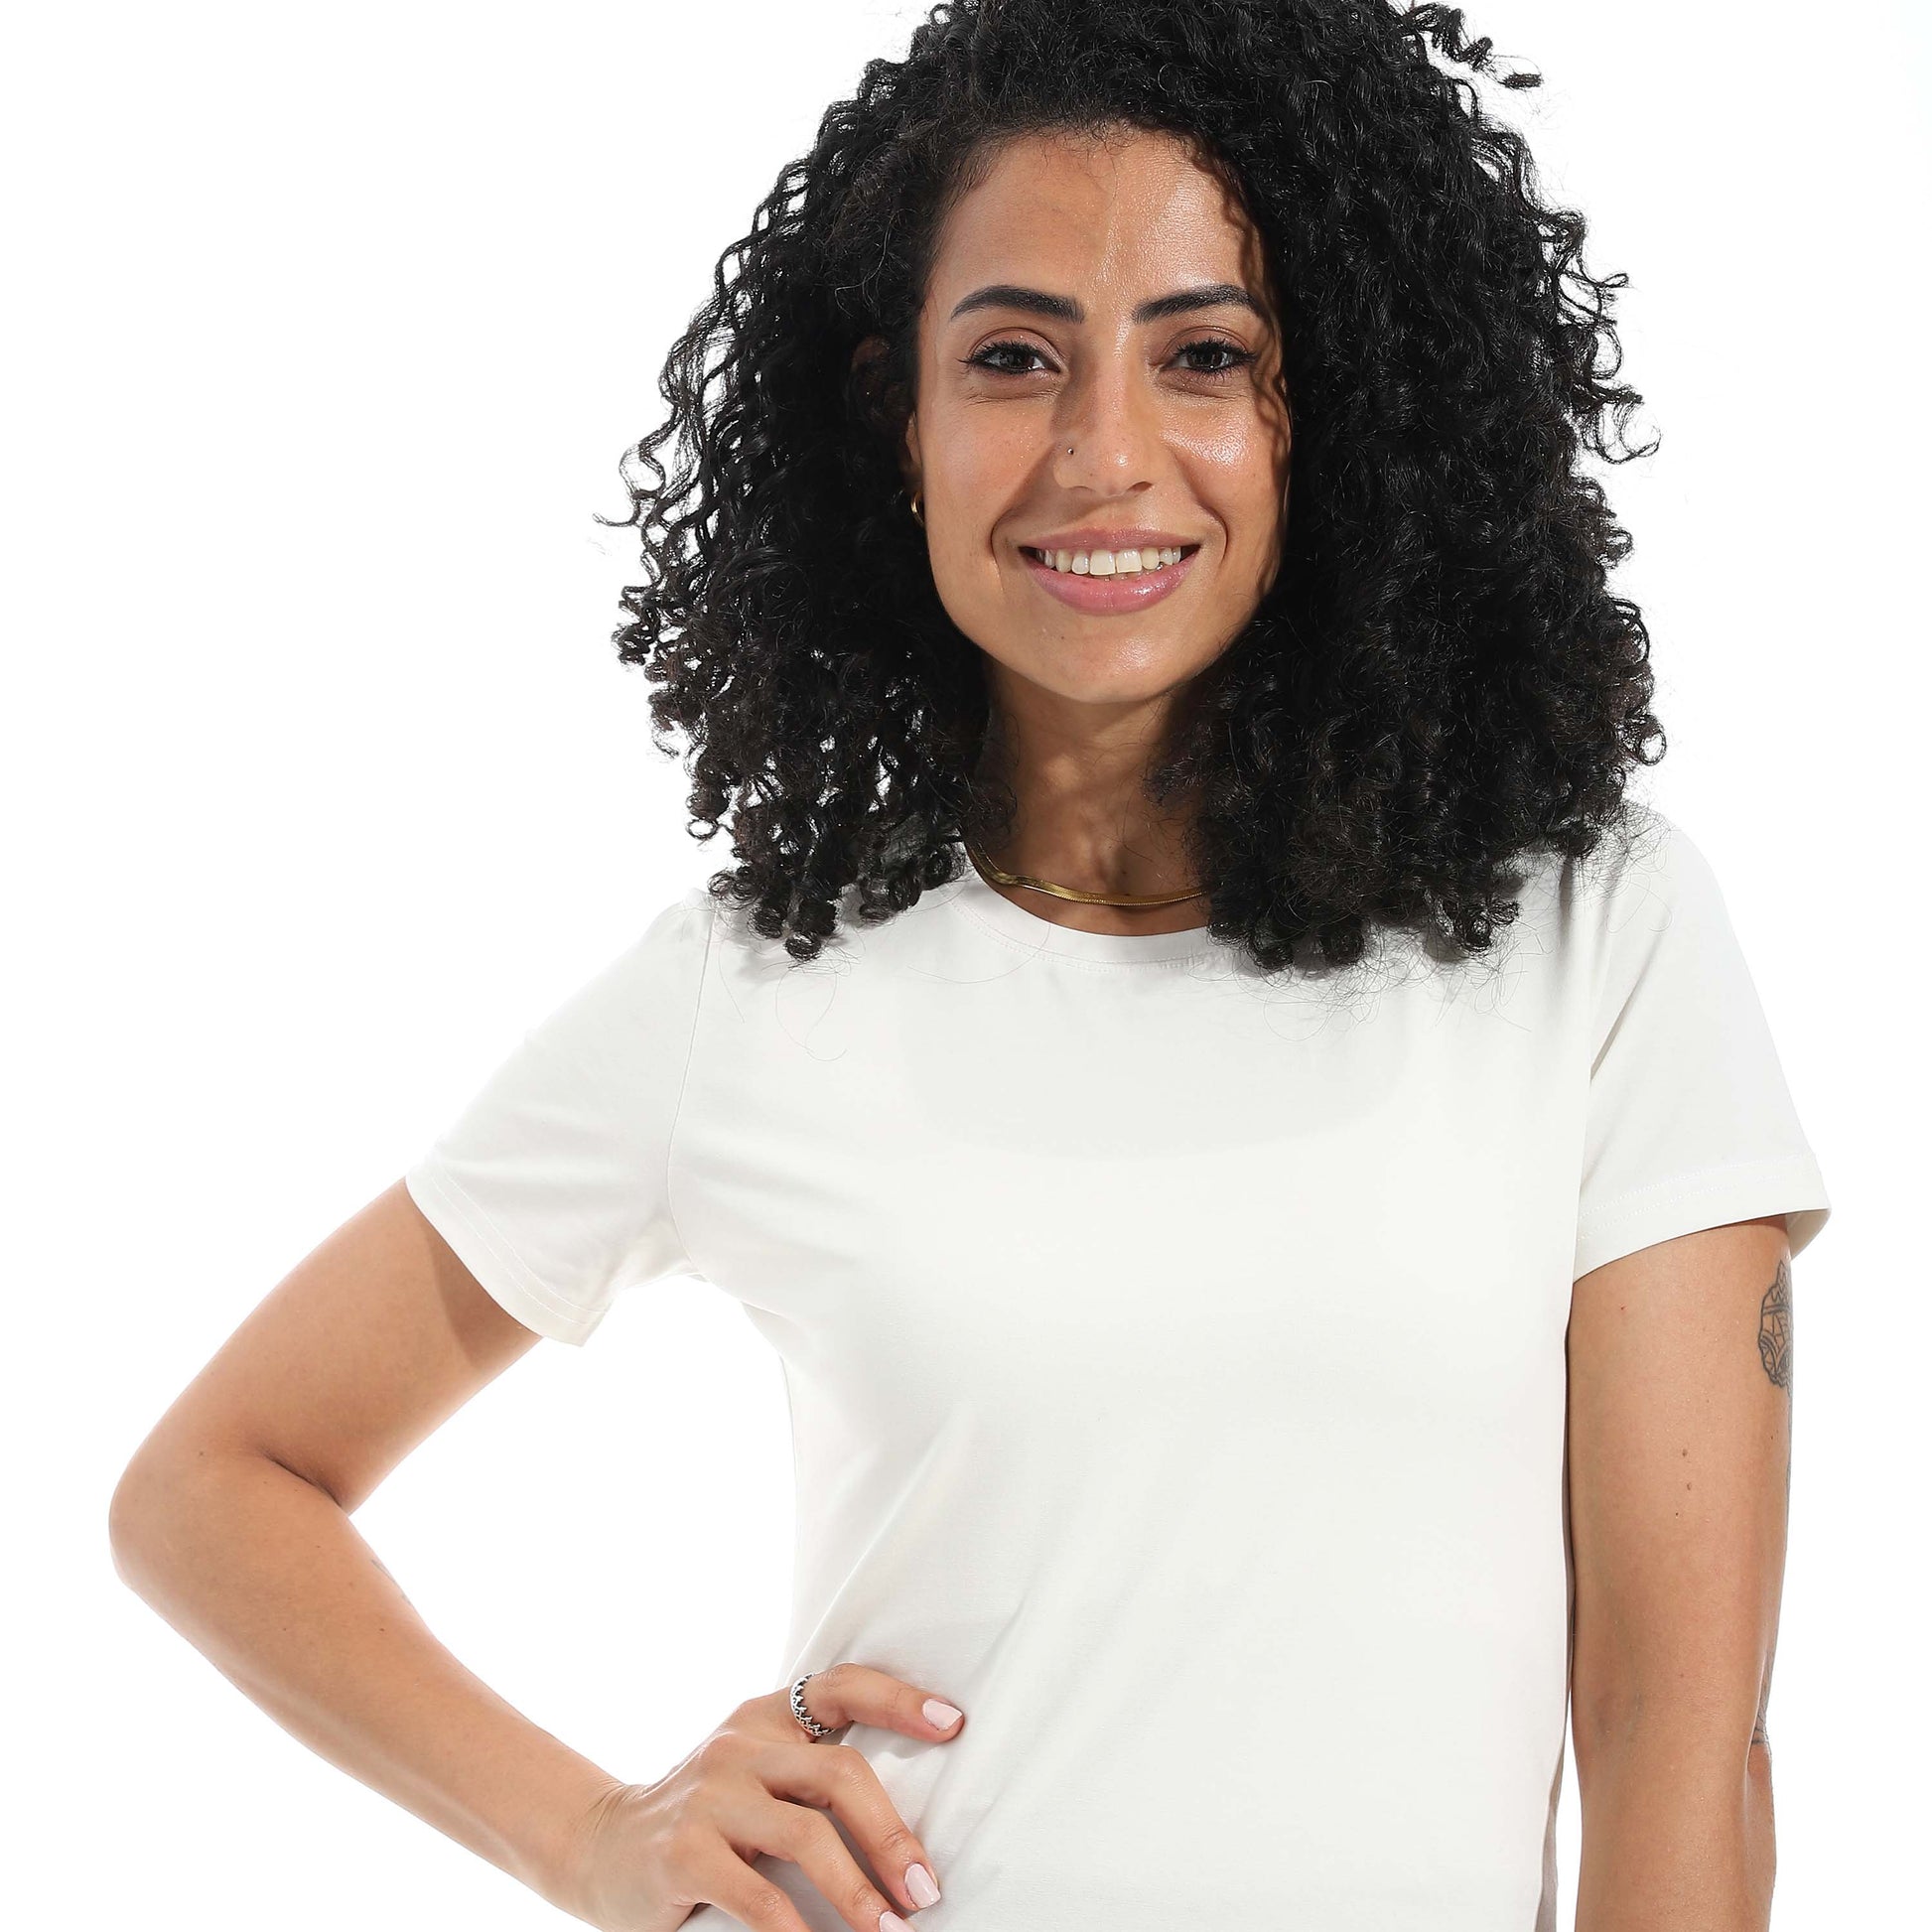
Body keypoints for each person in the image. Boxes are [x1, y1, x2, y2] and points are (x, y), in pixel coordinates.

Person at [108, 3, 1832, 1929]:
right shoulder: (756, 989)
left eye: (1204, 356)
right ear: (897, 418)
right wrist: (588, 1833)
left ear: (1334, 408)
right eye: (1013, 357)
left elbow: (1680, 1740)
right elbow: (215, 1485)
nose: (1105, 455)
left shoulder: (1590, 934)